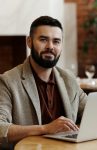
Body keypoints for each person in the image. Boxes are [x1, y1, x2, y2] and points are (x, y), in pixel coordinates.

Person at [0, 16, 87, 148]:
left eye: (56, 41)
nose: (50, 46)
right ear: (29, 42)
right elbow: (1, 128)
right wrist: (45, 129)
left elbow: (91, 110)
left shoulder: (69, 79)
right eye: (43, 40)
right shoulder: (8, 81)